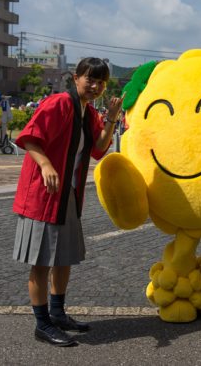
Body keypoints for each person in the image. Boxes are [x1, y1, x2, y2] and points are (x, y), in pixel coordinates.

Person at [12, 57, 123, 346]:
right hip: (44, 195)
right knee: (40, 262)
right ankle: (42, 323)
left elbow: (99, 148)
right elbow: (29, 138)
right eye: (90, 79)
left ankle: (58, 313)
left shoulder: (88, 113)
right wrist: (46, 164)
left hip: (68, 196)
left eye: (101, 82)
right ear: (76, 78)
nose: (96, 86)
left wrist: (111, 118)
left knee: (64, 258)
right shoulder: (59, 103)